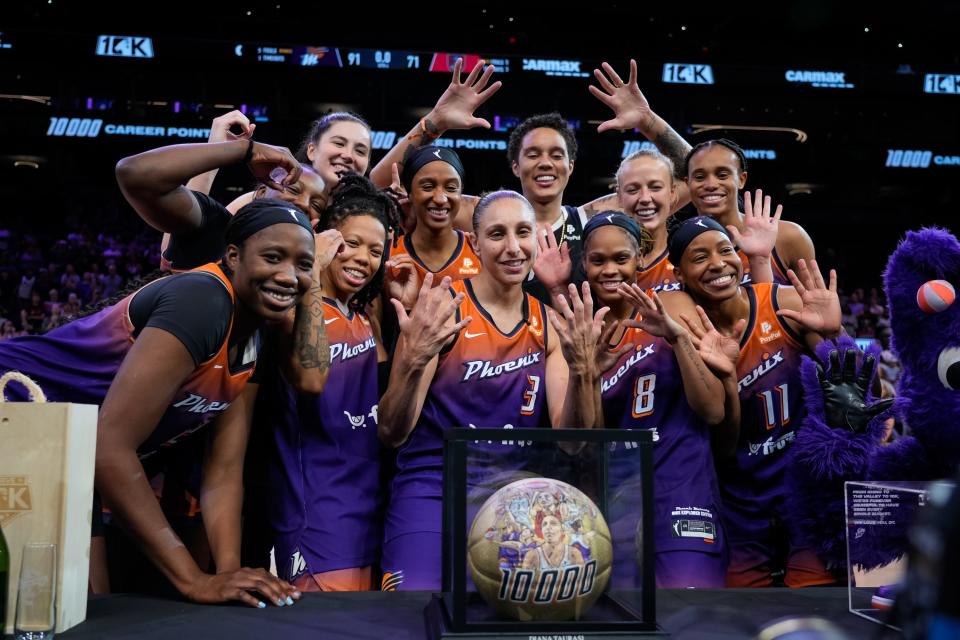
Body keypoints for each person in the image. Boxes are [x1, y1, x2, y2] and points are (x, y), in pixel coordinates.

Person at [0, 193, 318, 607]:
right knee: (37, 608)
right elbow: (111, 446)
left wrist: (229, 576)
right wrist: (193, 581)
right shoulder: (202, 302)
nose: (289, 276)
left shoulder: (252, 334)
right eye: (273, 257)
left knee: (87, 610)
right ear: (234, 256)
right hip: (16, 416)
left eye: (304, 264)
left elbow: (222, 474)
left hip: (68, 456)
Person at [377, 190, 602, 590]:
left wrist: (584, 370)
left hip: (510, 495)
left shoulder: (548, 323)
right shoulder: (442, 307)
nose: (513, 248)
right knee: (411, 605)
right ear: (476, 243)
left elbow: (570, 442)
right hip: (432, 486)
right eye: (497, 234)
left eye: (523, 233)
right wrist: (412, 360)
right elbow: (392, 431)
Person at [667, 215, 842, 587]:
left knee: (816, 596)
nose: (717, 263)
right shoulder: (691, 333)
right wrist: (728, 379)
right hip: (741, 502)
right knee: (742, 609)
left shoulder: (784, 302)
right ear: (678, 274)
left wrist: (835, 333)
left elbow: (855, 392)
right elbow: (723, 447)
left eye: (726, 250)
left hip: (804, 490)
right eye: (699, 257)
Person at [580, 212, 740, 587]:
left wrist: (678, 338)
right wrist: (585, 374)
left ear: (639, 261)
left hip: (684, 492)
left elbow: (714, 411)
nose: (609, 270)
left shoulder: (673, 303)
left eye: (621, 259)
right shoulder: (584, 333)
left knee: (690, 618)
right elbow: (589, 444)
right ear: (583, 264)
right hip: (619, 503)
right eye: (597, 260)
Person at [266, 174, 406, 592]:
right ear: (324, 240)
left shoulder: (361, 315)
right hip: (317, 515)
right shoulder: (291, 310)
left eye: (375, 250)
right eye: (349, 243)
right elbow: (309, 380)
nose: (363, 258)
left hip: (370, 506)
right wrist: (310, 269)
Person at [590, 60, 809, 285]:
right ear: (688, 183)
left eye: (722, 174)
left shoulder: (788, 237)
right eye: (700, 177)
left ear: (742, 179)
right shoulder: (688, 249)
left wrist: (648, 120)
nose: (711, 184)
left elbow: (823, 312)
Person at [385, 146, 480, 283]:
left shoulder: (480, 251)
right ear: (409, 194)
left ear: (460, 194)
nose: (440, 199)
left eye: (451, 188)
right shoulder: (388, 253)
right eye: (428, 187)